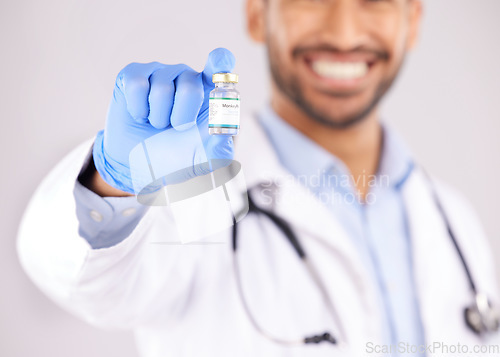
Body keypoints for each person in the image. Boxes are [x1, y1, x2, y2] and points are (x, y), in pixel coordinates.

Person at [17, 0, 500, 356]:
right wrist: (113, 179)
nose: (344, 30)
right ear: (256, 14)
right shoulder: (189, 193)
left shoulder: (453, 222)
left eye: (375, 1)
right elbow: (79, 277)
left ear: (411, 22)